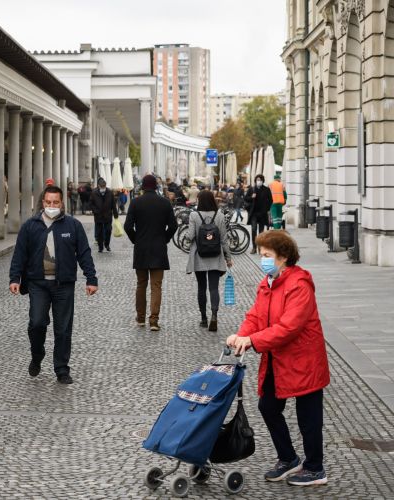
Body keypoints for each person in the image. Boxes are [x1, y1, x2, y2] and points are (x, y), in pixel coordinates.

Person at [227, 230, 330, 487]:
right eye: (261, 254)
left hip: (304, 360)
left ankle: (315, 468)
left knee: (308, 417)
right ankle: (288, 458)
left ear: (283, 257)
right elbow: (255, 316)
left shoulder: (299, 284)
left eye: (266, 255)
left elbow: (289, 327)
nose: (262, 259)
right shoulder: (268, 283)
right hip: (278, 358)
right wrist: (241, 336)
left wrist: (253, 341)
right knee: (268, 407)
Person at [8, 185, 97, 384]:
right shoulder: (30, 226)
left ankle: (61, 369)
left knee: (63, 329)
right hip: (37, 283)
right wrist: (15, 278)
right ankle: (37, 354)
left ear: (62, 203)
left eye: (55, 202)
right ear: (42, 202)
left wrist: (91, 278)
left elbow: (84, 253)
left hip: (63, 284)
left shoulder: (72, 225)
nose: (51, 205)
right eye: (48, 202)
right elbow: (19, 254)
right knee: (37, 322)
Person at [125, 175, 178, 331]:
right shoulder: (165, 203)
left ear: (143, 187)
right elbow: (174, 226)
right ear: (156, 186)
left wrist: (136, 240)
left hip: (141, 249)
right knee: (156, 286)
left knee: (141, 285)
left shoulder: (135, 203)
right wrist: (164, 239)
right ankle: (154, 320)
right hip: (158, 249)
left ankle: (141, 318)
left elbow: (128, 226)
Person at [186, 190, 233, 332]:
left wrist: (187, 238)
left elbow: (190, 235)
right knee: (213, 288)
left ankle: (204, 319)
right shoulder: (219, 215)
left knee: (201, 287)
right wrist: (228, 258)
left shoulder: (194, 215)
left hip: (199, 255)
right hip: (215, 255)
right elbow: (224, 239)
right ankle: (214, 315)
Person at [245, 174, 273, 253]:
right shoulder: (251, 189)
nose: (259, 181)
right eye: (257, 180)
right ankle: (254, 247)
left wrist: (267, 208)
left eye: (260, 180)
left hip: (262, 214)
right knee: (254, 229)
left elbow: (271, 200)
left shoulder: (266, 189)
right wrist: (251, 197)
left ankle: (260, 247)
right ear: (255, 181)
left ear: (262, 181)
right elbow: (246, 198)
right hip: (254, 213)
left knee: (261, 232)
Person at [89, 177, 119, 253]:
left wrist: (115, 214)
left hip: (107, 215)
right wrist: (95, 211)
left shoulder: (109, 192)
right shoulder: (94, 192)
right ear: (99, 186)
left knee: (108, 230)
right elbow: (91, 204)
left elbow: (113, 204)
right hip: (98, 215)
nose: (103, 188)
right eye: (101, 187)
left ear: (105, 186)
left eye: (104, 187)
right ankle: (100, 247)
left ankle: (107, 244)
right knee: (99, 232)